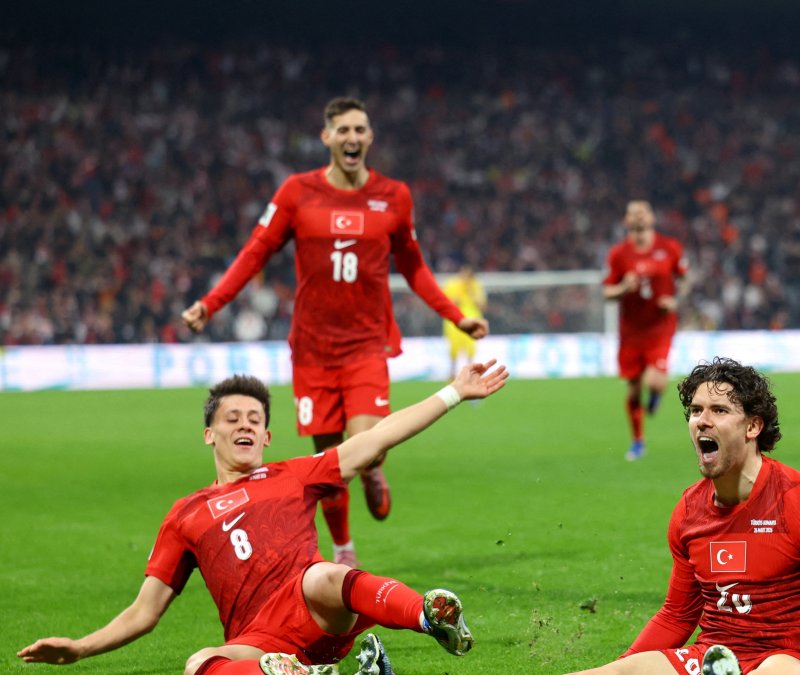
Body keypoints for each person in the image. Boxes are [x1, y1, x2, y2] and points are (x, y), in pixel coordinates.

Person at [18, 361, 508, 674]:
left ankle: (428, 616)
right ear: (209, 434)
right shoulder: (183, 515)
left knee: (323, 575)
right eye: (232, 419)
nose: (245, 425)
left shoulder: (294, 474)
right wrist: (79, 648)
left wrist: (454, 393)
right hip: (261, 644)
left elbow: (377, 438)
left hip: (313, 606)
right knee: (198, 665)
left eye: (255, 420)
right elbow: (144, 613)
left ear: (267, 438)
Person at [182, 97, 490, 567]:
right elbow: (254, 253)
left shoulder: (394, 196)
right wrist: (210, 303)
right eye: (343, 130)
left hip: (366, 346)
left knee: (362, 449)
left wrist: (455, 315)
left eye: (360, 130)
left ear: (370, 138)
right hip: (312, 351)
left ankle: (373, 469)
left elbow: (415, 267)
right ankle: (344, 549)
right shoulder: (296, 192)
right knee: (327, 463)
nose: (352, 138)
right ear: (326, 137)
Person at [569, 357, 800, 675]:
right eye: (695, 410)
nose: (702, 420)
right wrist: (626, 664)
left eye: (719, 410)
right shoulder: (689, 511)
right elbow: (677, 614)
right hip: (712, 660)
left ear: (752, 426)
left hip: (788, 659)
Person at [602, 200, 690, 461]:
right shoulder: (619, 254)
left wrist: (675, 300)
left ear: (652, 217)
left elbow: (684, 280)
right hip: (630, 331)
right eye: (633, 213)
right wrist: (622, 289)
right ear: (626, 221)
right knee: (632, 390)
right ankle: (638, 440)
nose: (639, 216)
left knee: (655, 381)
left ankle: (654, 396)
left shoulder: (669, 247)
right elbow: (607, 292)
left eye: (643, 211)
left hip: (660, 327)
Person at [442, 265, 488, 380]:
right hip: (454, 321)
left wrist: (472, 296)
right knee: (454, 347)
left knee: (471, 347)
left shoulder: (476, 286)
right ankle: (452, 374)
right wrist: (455, 300)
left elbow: (482, 306)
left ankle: (470, 374)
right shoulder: (451, 285)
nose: (466, 277)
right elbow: (444, 303)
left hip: (473, 319)